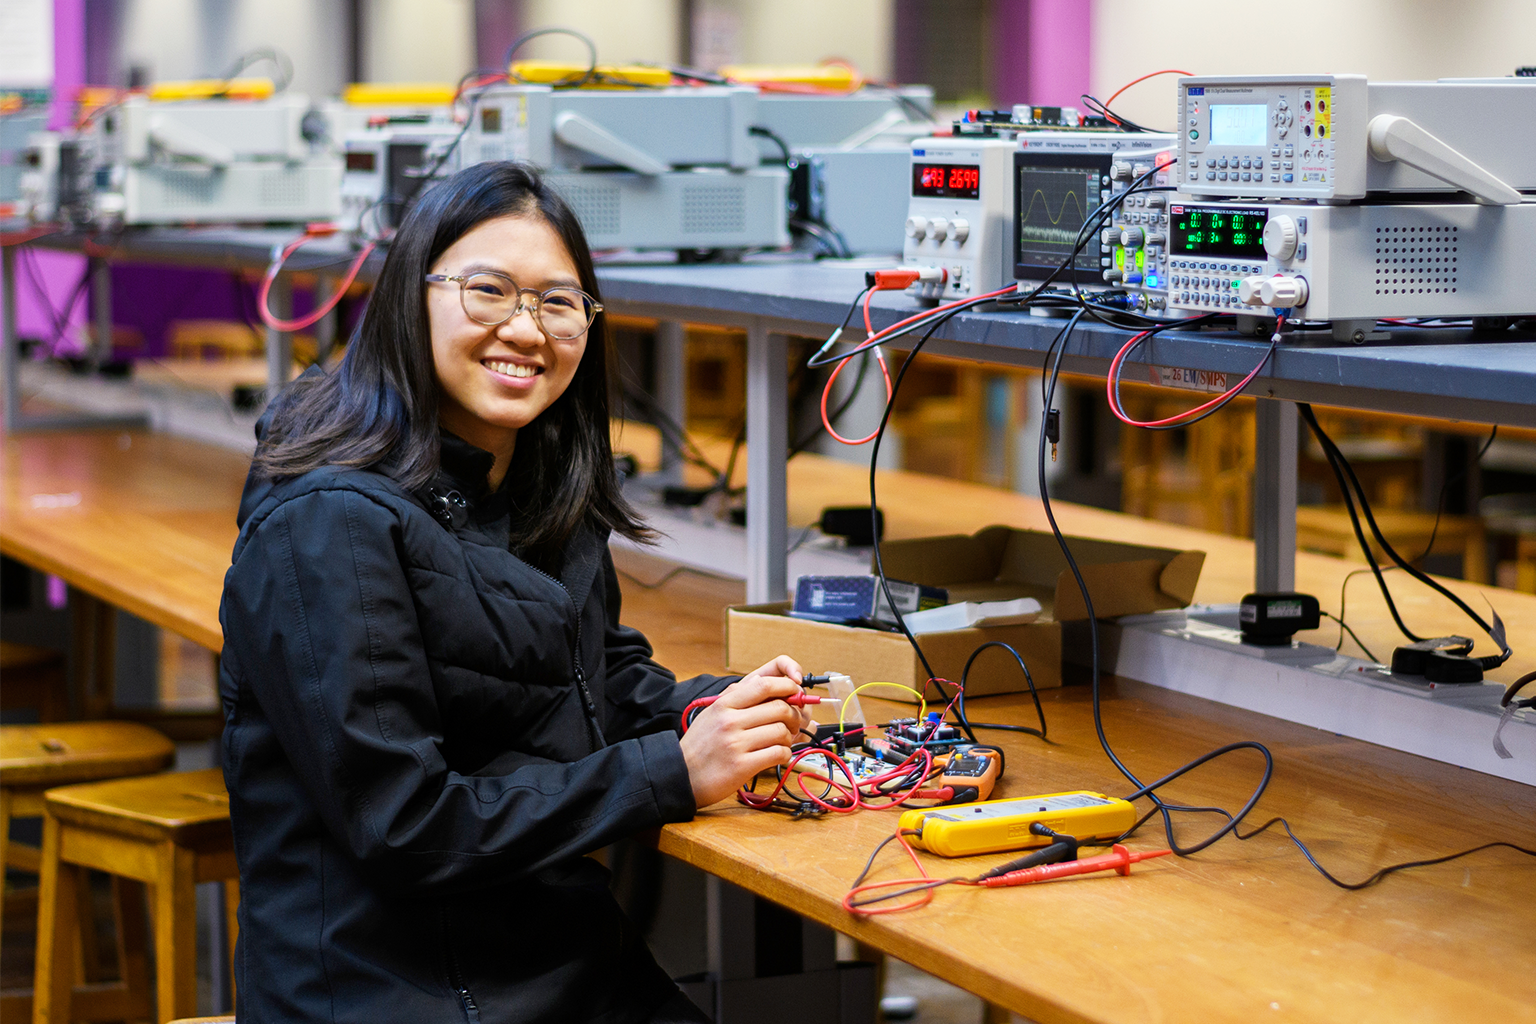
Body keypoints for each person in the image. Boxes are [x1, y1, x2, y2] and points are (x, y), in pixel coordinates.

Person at [219, 161, 812, 1024]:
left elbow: (589, 682)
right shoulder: (329, 524)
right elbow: (404, 824)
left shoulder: (533, 478)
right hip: (391, 990)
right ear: (409, 297)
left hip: (543, 956)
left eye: (559, 302)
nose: (526, 329)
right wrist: (672, 771)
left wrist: (734, 710)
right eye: (488, 290)